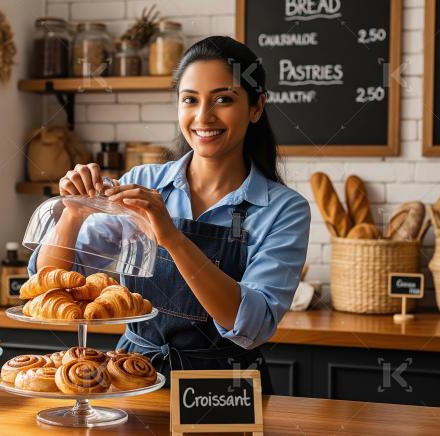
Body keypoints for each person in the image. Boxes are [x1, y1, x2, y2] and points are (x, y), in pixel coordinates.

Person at [31, 36, 310, 392]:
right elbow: (51, 280)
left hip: (225, 390)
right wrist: (73, 214)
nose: (203, 116)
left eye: (223, 99)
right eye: (190, 100)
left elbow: (250, 325)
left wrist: (172, 239)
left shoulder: (283, 210)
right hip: (133, 375)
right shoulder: (141, 184)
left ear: (256, 108)